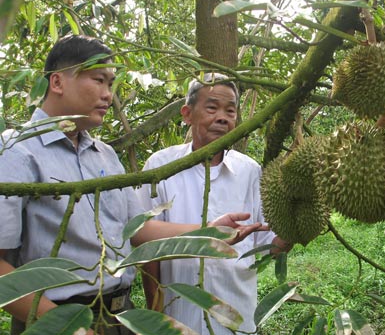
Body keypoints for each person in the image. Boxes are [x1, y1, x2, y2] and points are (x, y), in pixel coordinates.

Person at [0, 36, 264, 335]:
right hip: (52, 321)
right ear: (58, 82)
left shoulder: (105, 155)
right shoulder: (16, 151)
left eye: (111, 84)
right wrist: (64, 327)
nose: (108, 95)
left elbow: (135, 229)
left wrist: (210, 232)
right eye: (99, 80)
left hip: (118, 317)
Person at [138, 72, 291, 334]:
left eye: (230, 111)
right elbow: (145, 245)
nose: (222, 117)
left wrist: (296, 228)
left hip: (236, 319)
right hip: (178, 318)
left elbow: (267, 247)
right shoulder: (160, 167)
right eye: (212, 107)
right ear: (187, 114)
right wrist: (155, 312)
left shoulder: (250, 171)